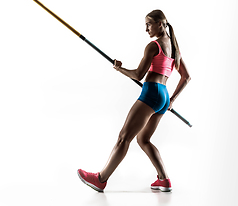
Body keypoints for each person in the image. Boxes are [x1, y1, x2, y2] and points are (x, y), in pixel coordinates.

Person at [77, 10, 191, 192]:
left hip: (152, 93)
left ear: (160, 24)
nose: (146, 29)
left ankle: (100, 179)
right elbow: (186, 77)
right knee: (143, 139)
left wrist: (119, 68)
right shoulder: (174, 48)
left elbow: (138, 75)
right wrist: (172, 101)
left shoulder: (154, 46)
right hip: (163, 96)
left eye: (149, 24)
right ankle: (164, 179)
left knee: (124, 137)